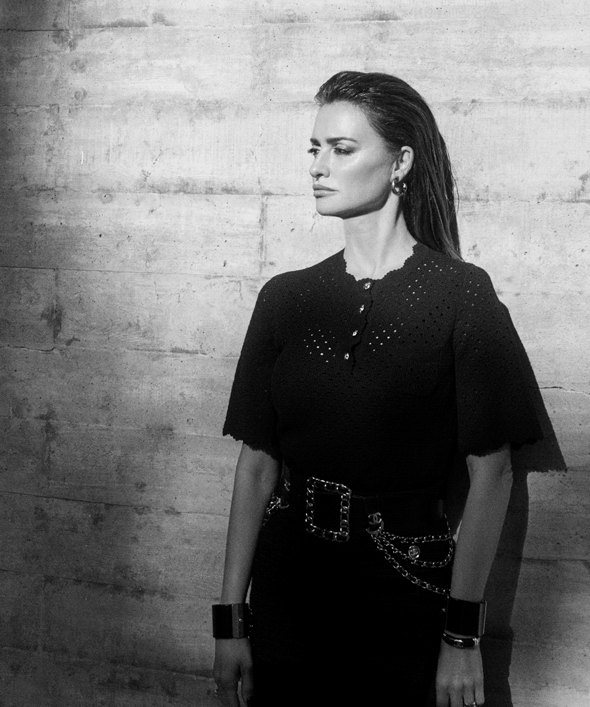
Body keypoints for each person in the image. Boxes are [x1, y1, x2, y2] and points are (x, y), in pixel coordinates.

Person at [211, 71, 544, 706]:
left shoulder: (461, 296)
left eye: (342, 149)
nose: (318, 166)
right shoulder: (285, 299)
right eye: (315, 149)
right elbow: (255, 467)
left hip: (405, 593)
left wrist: (462, 635)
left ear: (401, 163)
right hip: (289, 590)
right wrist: (231, 621)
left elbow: (493, 476)